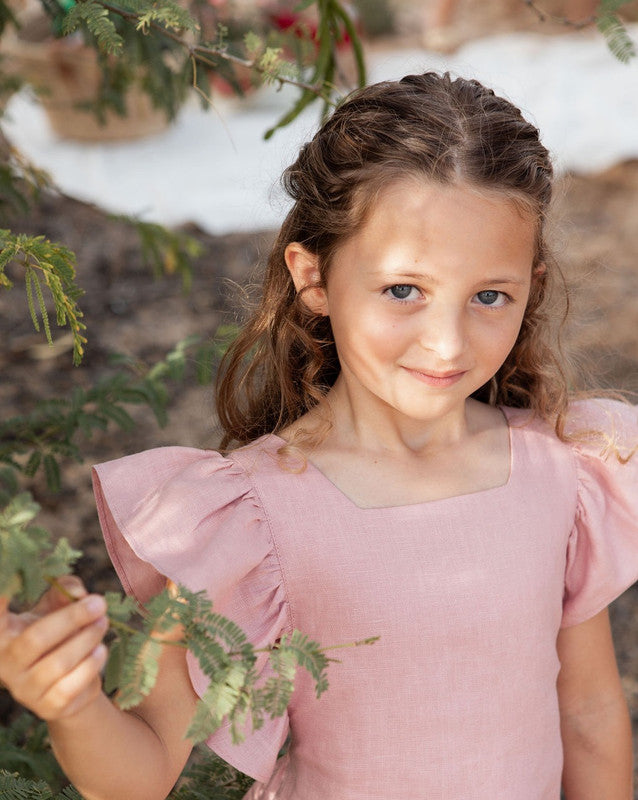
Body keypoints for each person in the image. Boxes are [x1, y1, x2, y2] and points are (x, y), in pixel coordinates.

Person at [1, 71, 637, 800]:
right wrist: (72, 704)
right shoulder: (248, 517)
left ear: (532, 285)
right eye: (403, 290)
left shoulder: (563, 472)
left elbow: (588, 713)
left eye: (489, 296)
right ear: (314, 280)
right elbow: (139, 776)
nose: (447, 343)